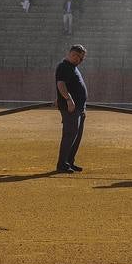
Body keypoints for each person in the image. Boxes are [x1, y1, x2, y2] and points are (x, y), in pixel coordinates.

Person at [55, 44, 88, 173]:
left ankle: (69, 161)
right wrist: (68, 100)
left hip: (78, 108)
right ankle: (62, 164)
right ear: (70, 54)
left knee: (76, 136)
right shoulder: (64, 66)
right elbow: (61, 84)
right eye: (76, 56)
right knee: (69, 135)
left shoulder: (73, 67)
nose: (78, 59)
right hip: (71, 108)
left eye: (80, 58)